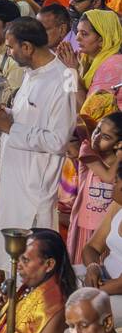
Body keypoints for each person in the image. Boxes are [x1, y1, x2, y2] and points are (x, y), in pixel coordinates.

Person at [0, 18, 76, 266]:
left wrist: (11, 126)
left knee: (26, 266)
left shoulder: (64, 78)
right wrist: (5, 116)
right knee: (2, 261)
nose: (8, 54)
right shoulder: (32, 74)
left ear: (28, 48)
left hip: (33, 190)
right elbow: (29, 120)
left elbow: (58, 140)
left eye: (11, 48)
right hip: (12, 180)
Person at [68, 113, 122, 264]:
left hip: (105, 228)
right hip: (83, 225)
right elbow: (108, 177)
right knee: (81, 265)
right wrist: (120, 157)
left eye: (105, 137)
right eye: (97, 130)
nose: (96, 137)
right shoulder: (87, 151)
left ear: (119, 143)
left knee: (105, 267)